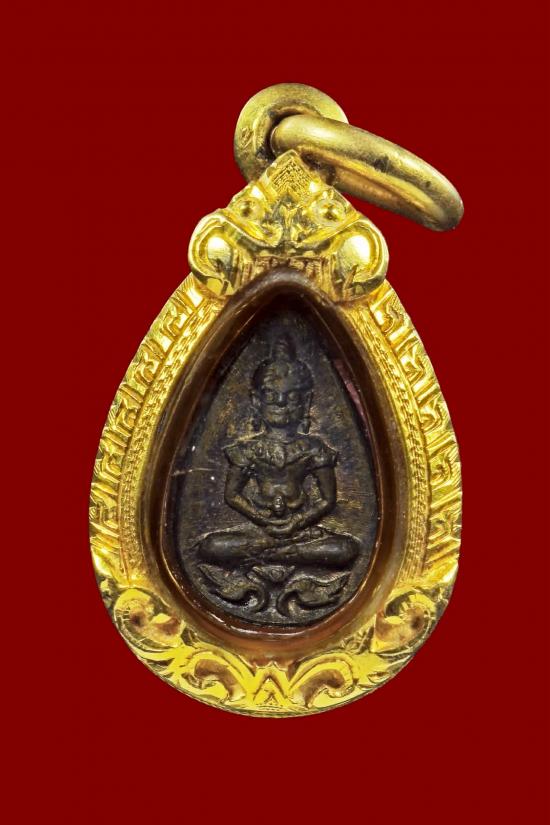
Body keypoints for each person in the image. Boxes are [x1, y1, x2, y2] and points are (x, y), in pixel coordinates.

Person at [196, 335, 360, 567]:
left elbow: (327, 499)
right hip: (260, 529)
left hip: (301, 530)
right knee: (211, 546)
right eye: (271, 396)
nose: (281, 402)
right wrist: (261, 519)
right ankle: (284, 553)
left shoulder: (314, 449)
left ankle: (271, 554)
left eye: (292, 396)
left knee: (345, 548)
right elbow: (232, 495)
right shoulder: (248, 449)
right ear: (256, 401)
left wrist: (298, 522)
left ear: (306, 402)